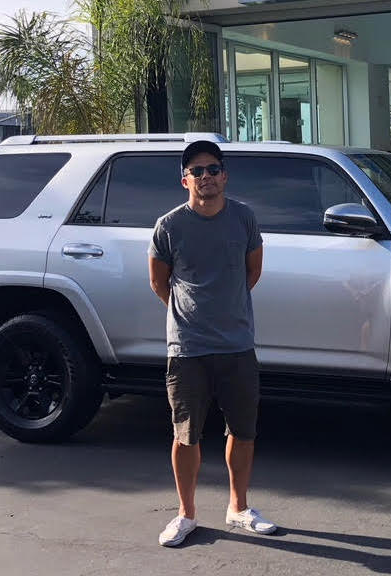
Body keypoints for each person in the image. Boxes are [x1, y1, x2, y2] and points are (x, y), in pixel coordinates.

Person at [147, 139, 276, 548]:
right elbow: (158, 282)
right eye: (197, 171)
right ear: (185, 179)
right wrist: (192, 316)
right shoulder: (169, 226)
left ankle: (238, 507)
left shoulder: (244, 218)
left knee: (244, 428)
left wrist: (225, 310)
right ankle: (186, 514)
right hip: (187, 348)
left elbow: (251, 272)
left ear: (225, 176)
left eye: (213, 169)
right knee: (186, 434)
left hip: (237, 344)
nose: (207, 177)